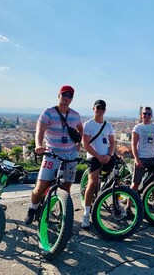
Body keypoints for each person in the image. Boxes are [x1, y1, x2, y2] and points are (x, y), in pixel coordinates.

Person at [25, 85, 83, 225]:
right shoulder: (49, 112)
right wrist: (39, 144)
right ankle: (32, 209)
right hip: (52, 154)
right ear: (59, 95)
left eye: (69, 96)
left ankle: (64, 211)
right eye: (64, 95)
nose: (66, 98)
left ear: (72, 99)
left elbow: (80, 128)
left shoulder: (75, 115)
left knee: (67, 187)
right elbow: (40, 129)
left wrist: (79, 142)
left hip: (70, 156)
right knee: (41, 187)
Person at [81, 100, 116, 228]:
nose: (100, 110)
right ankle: (86, 213)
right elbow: (85, 144)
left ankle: (116, 204)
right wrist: (98, 156)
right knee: (92, 182)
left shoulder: (108, 125)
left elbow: (112, 143)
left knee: (116, 180)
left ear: (105, 110)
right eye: (98, 108)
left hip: (107, 156)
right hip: (94, 157)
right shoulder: (88, 124)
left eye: (103, 108)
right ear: (94, 108)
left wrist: (109, 155)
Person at [126, 107, 154, 215]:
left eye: (149, 114)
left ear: (151, 116)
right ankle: (128, 207)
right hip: (142, 158)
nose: (147, 116)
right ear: (141, 115)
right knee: (135, 183)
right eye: (145, 114)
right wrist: (137, 159)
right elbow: (133, 145)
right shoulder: (137, 128)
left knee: (153, 182)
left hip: (153, 158)